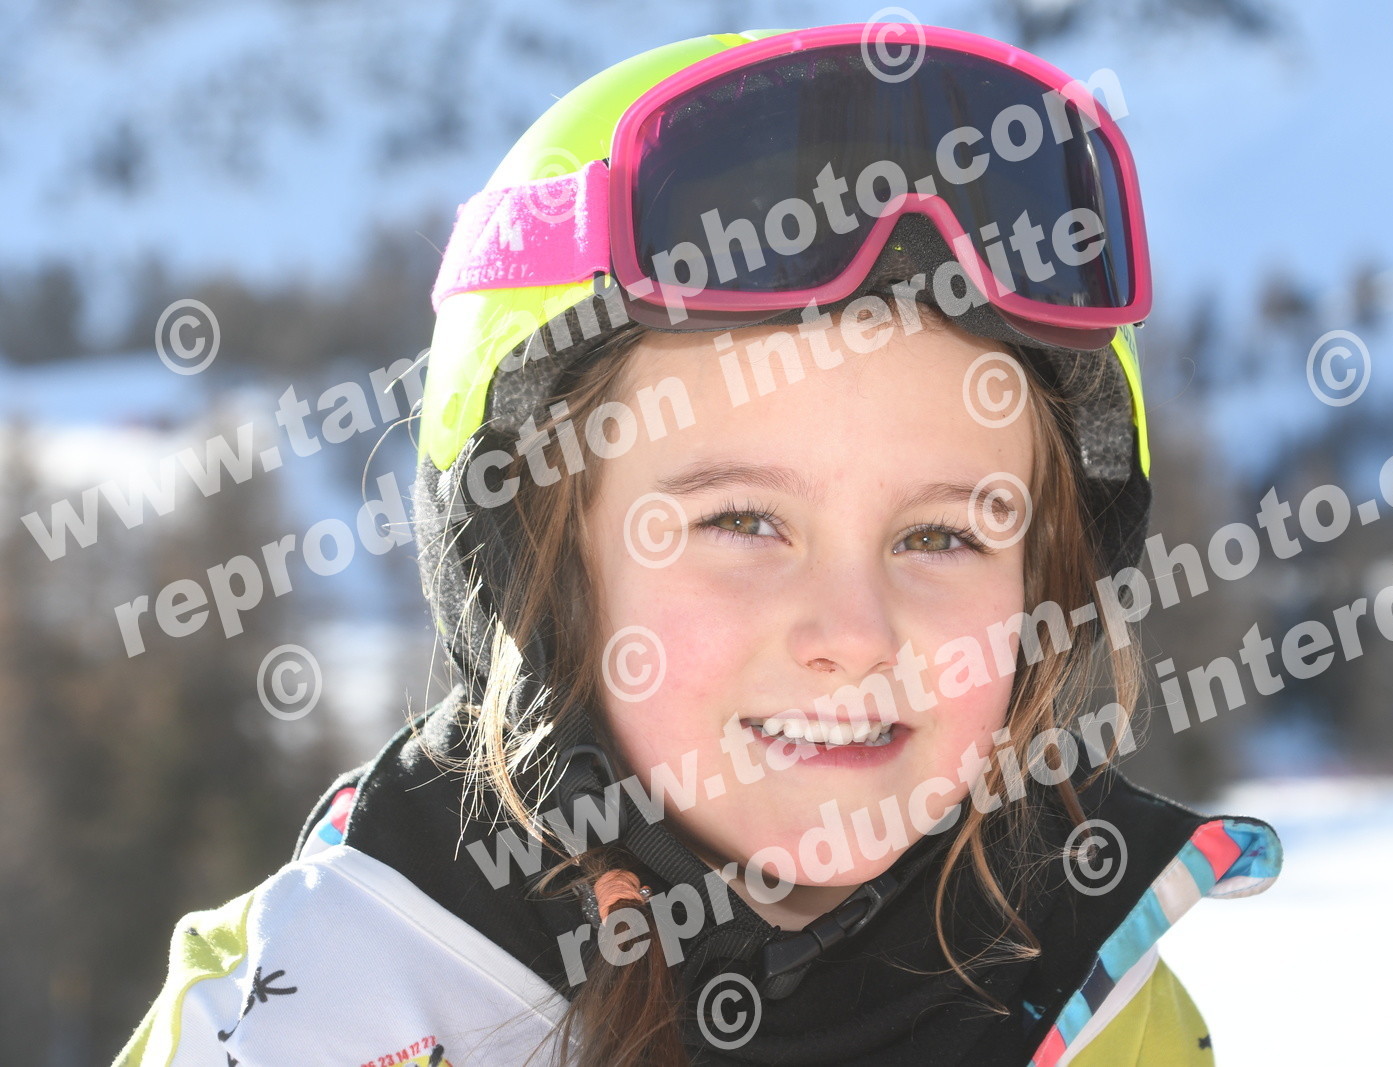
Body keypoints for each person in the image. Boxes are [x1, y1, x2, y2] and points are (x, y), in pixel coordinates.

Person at [114, 22, 1282, 1066]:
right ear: (536, 562)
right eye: (742, 521)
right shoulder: (314, 1010)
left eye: (939, 534)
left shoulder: (1102, 1016)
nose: (853, 635)